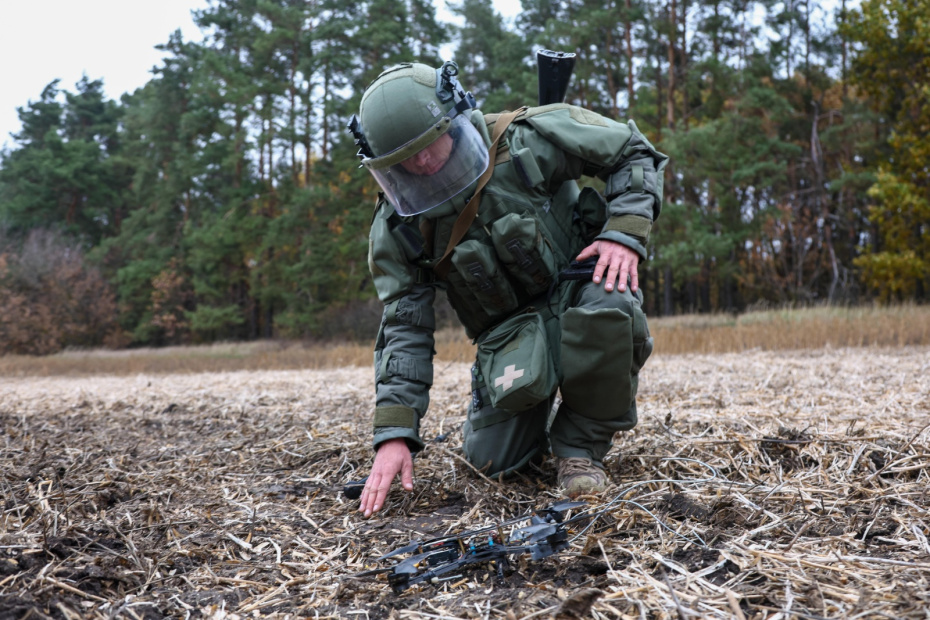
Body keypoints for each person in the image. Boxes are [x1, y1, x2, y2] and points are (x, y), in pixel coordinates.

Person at [349, 60, 667, 517]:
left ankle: (580, 447)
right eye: (403, 159)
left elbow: (632, 151)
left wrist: (623, 235)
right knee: (493, 463)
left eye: (426, 144)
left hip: (582, 289)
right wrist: (394, 434)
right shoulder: (400, 228)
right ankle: (534, 421)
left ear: (454, 118)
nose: (420, 162)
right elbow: (404, 328)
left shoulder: (525, 140)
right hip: (511, 337)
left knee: (609, 305)